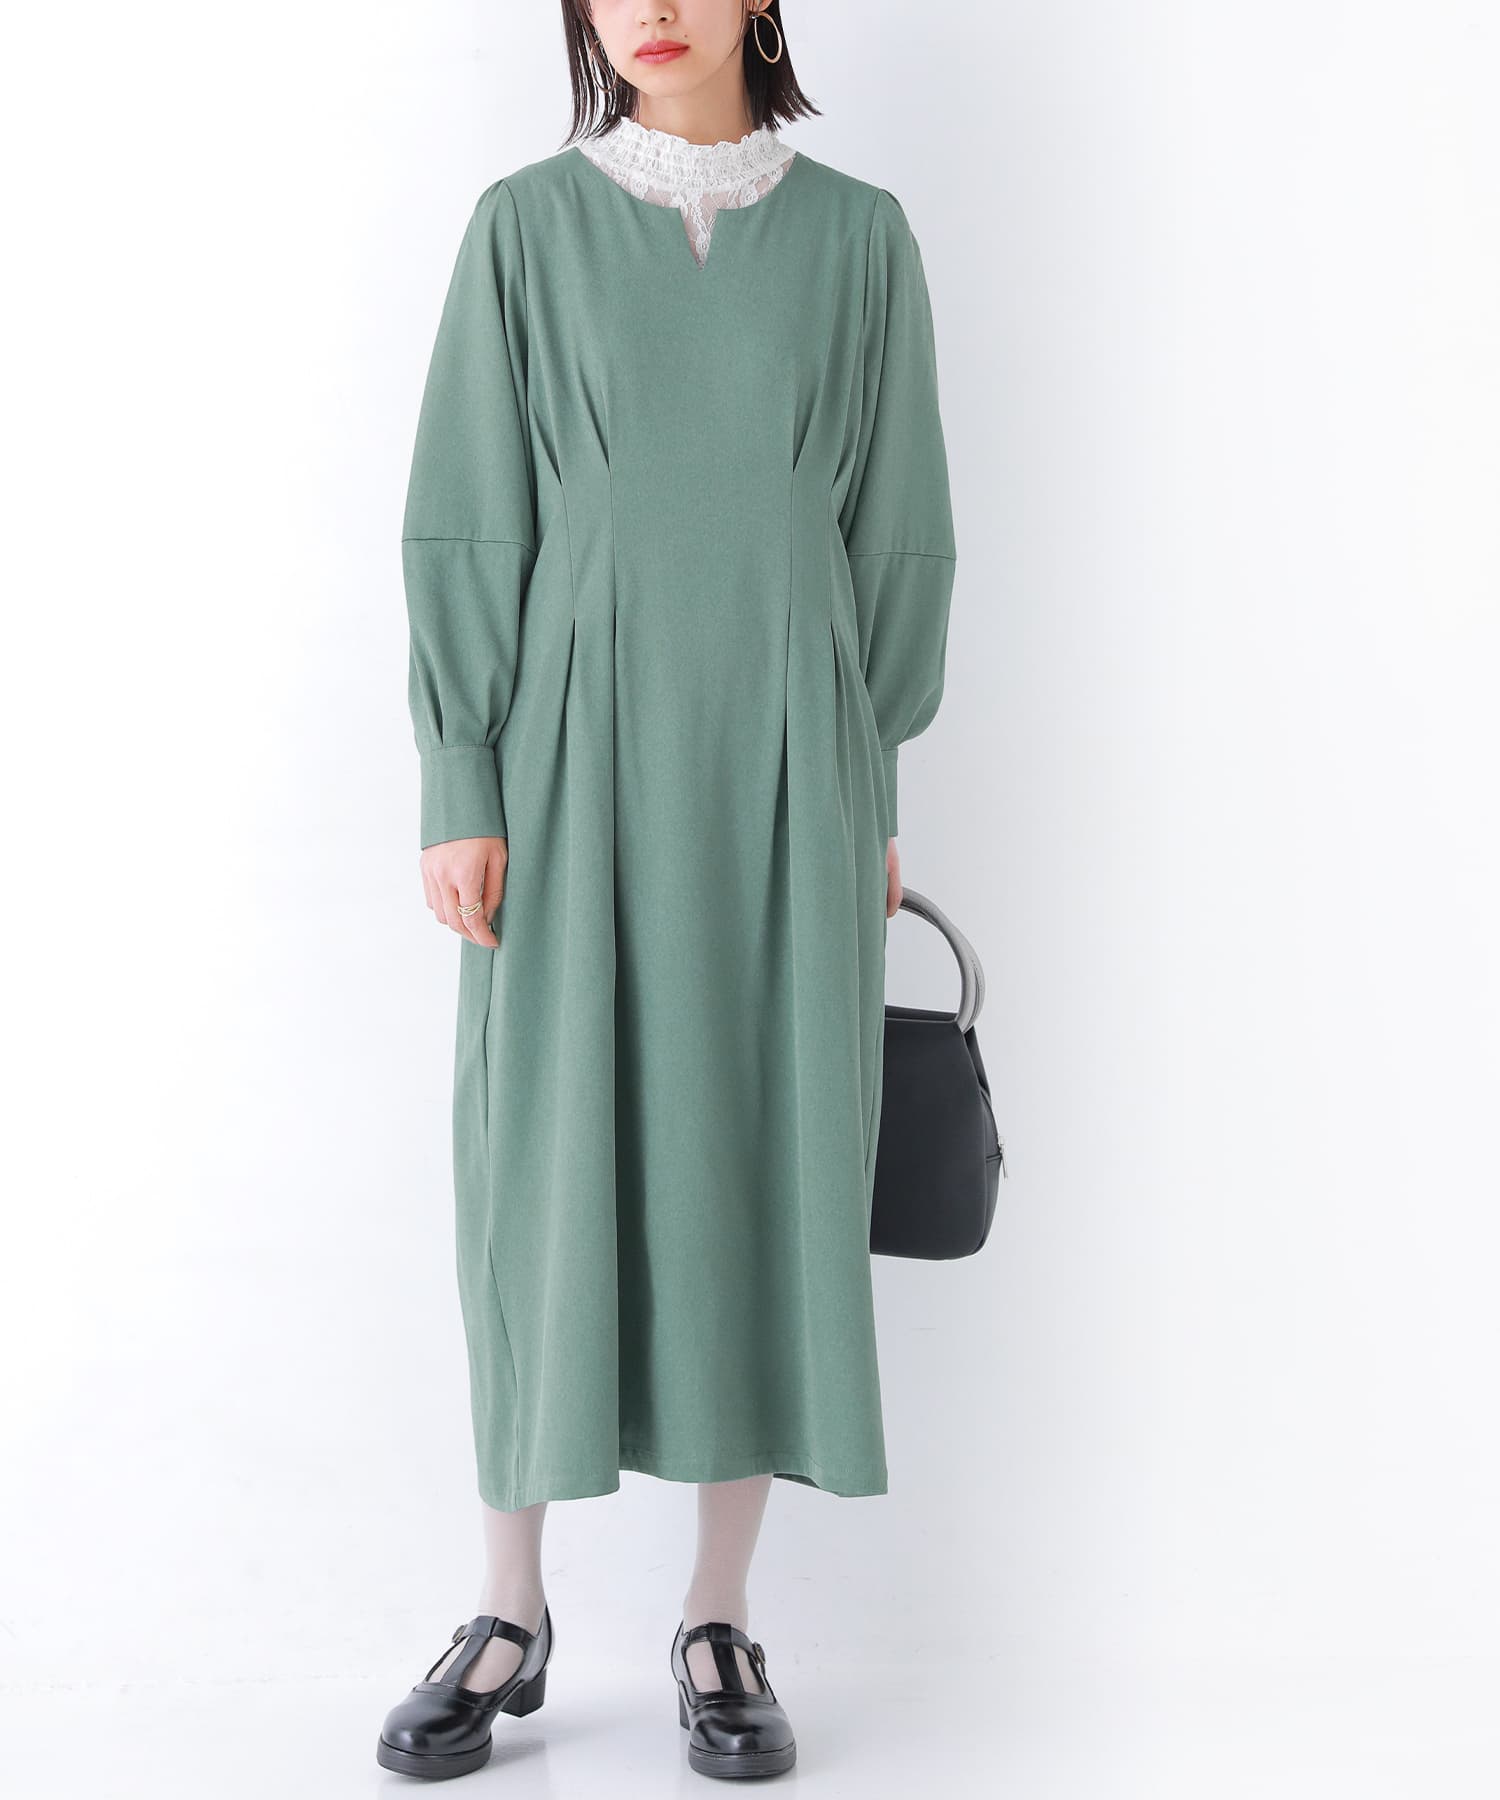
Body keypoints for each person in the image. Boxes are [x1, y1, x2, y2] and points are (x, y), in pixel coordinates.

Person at [376, 0, 958, 1781]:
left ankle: (717, 1613)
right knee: (538, 1156)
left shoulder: (860, 240)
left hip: (791, 754)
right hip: (568, 754)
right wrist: (462, 773)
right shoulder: (523, 229)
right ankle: (510, 1606)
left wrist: (868, 783)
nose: (650, 7)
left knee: (764, 1148)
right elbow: (467, 514)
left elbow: (902, 529)